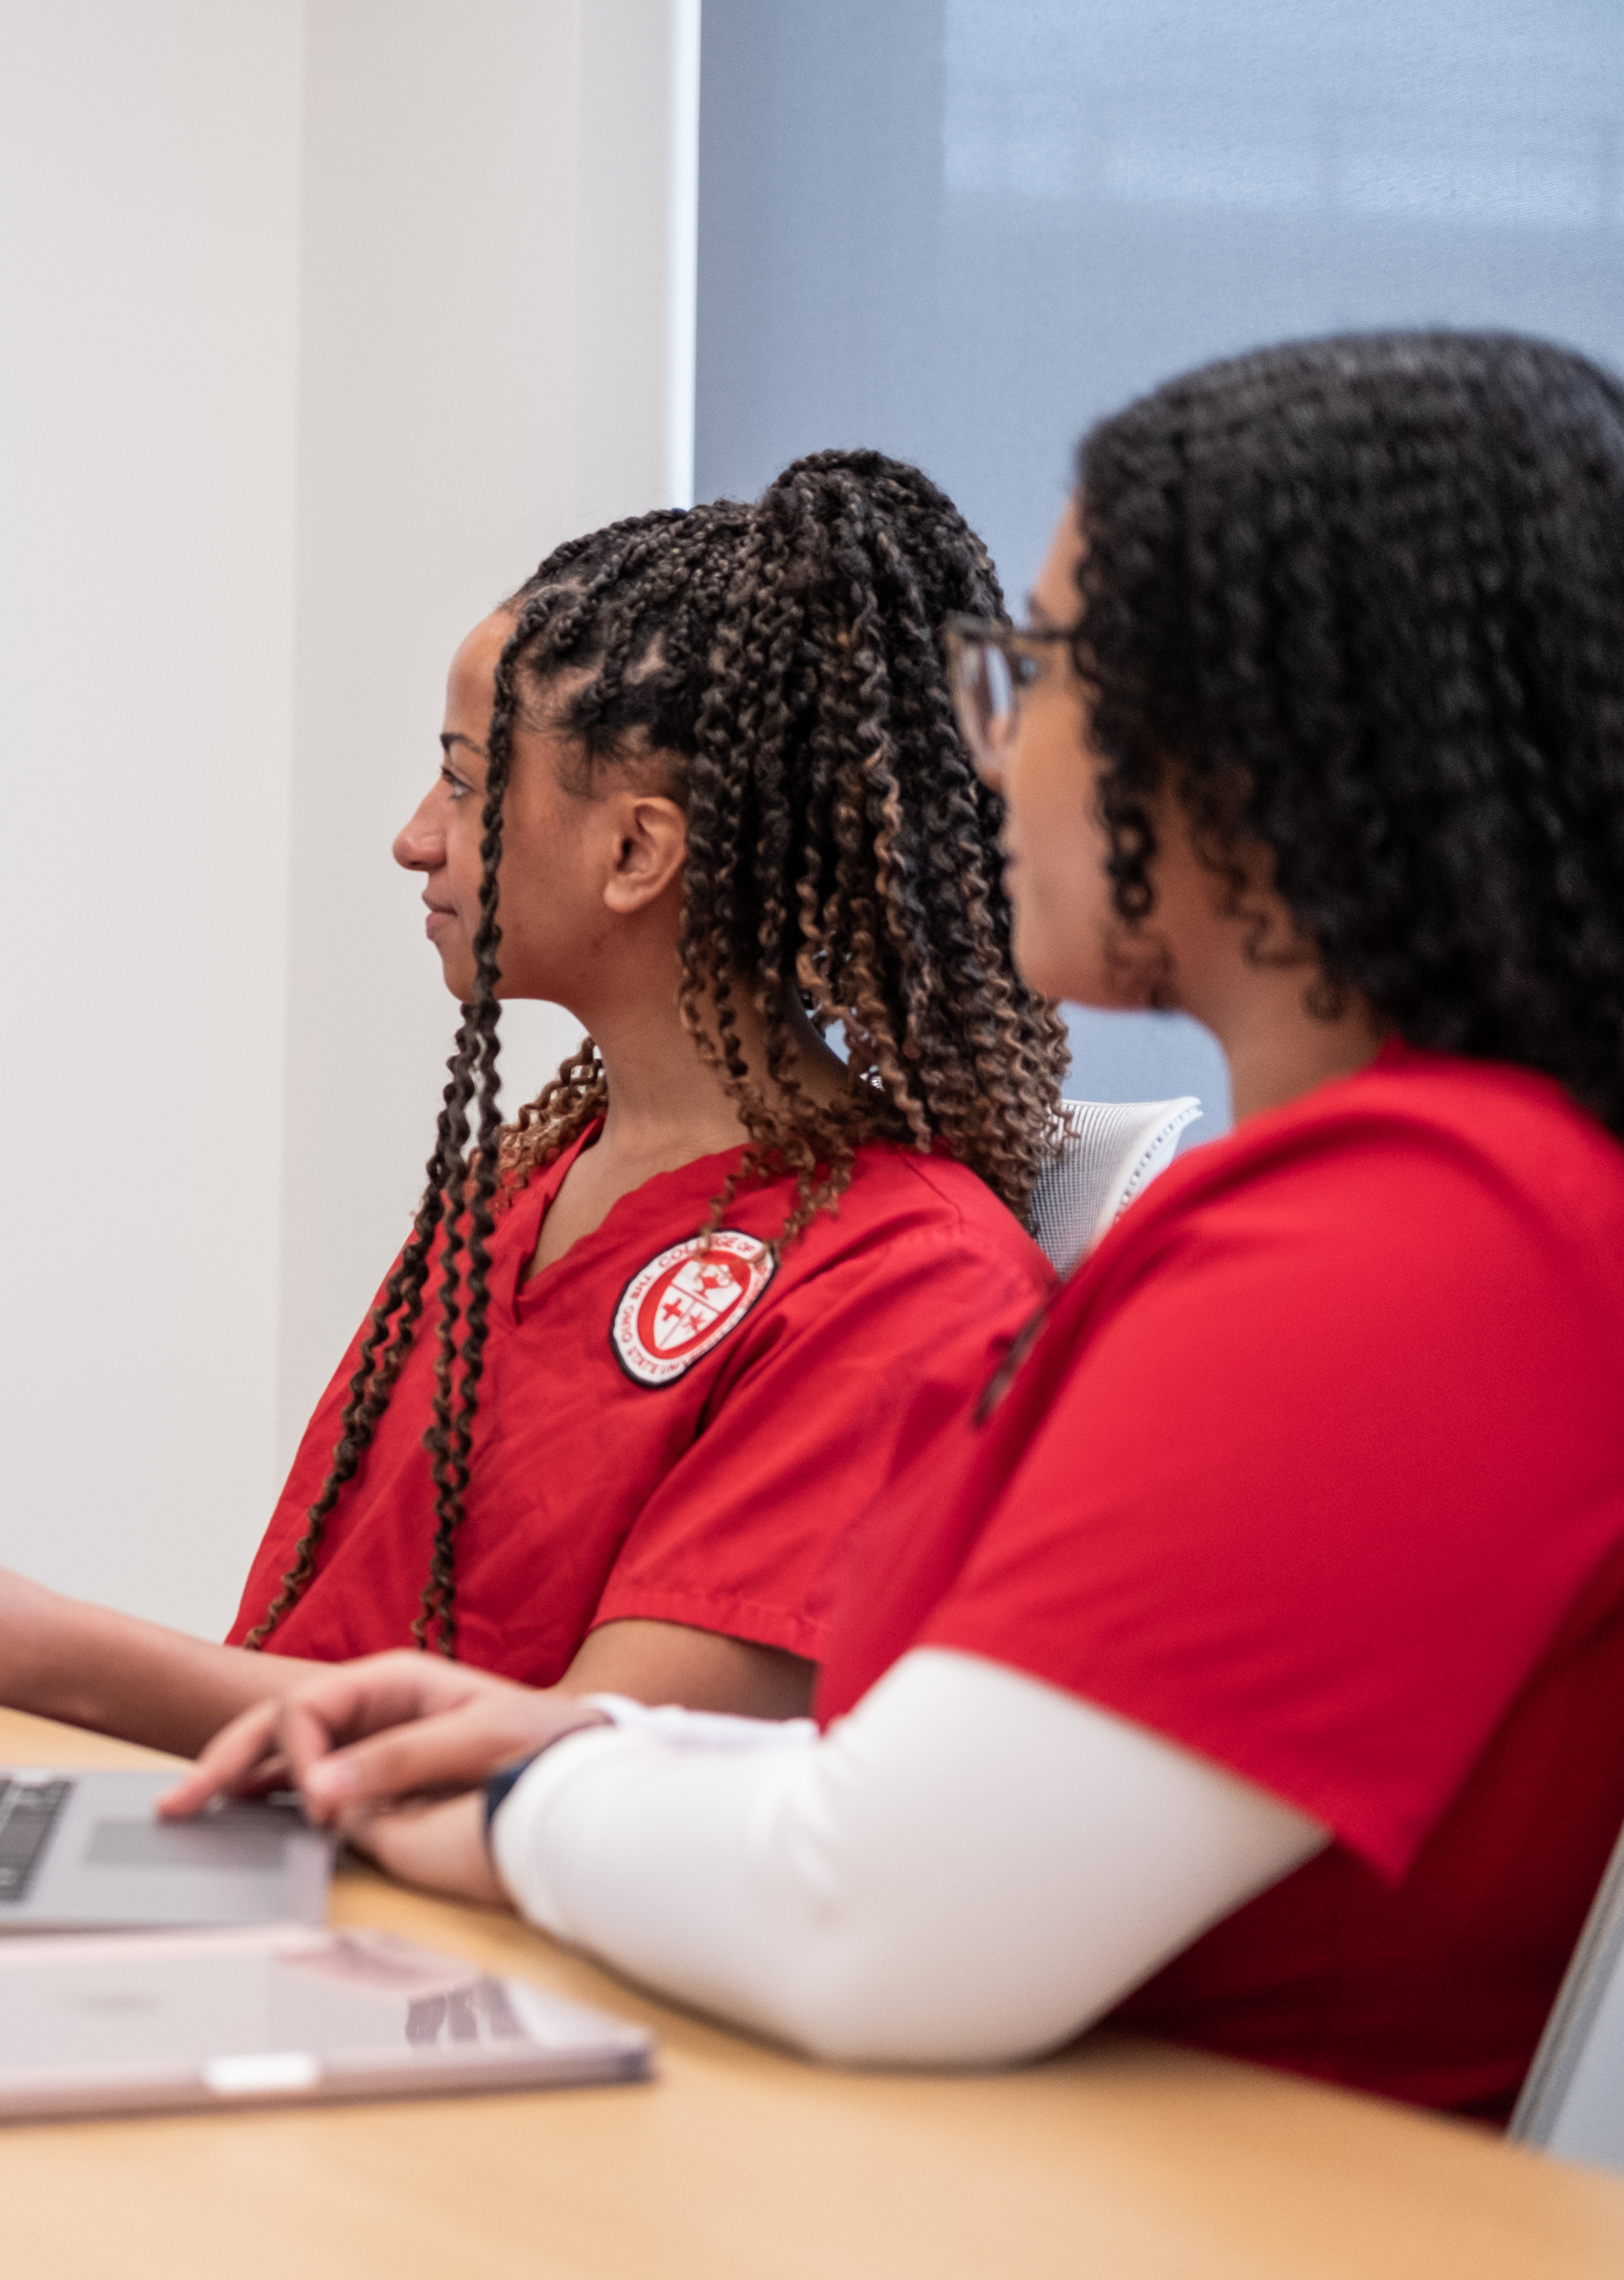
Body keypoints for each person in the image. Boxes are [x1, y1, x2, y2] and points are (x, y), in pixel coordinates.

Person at [167, 330, 1624, 2122]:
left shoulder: (1425, 1245)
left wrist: (526, 1795)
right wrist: (592, 1745)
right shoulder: (1391, 1213)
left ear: (1260, 736)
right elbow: (900, 1785)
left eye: (1048, 671)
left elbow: (872, 1914)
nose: (990, 760)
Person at [0, 454, 1069, 1751]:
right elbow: (302, 1668)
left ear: (636, 849)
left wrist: (31, 1649)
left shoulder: (907, 1285)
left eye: (470, 782)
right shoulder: (522, 1193)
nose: (416, 835)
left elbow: (591, 1767)